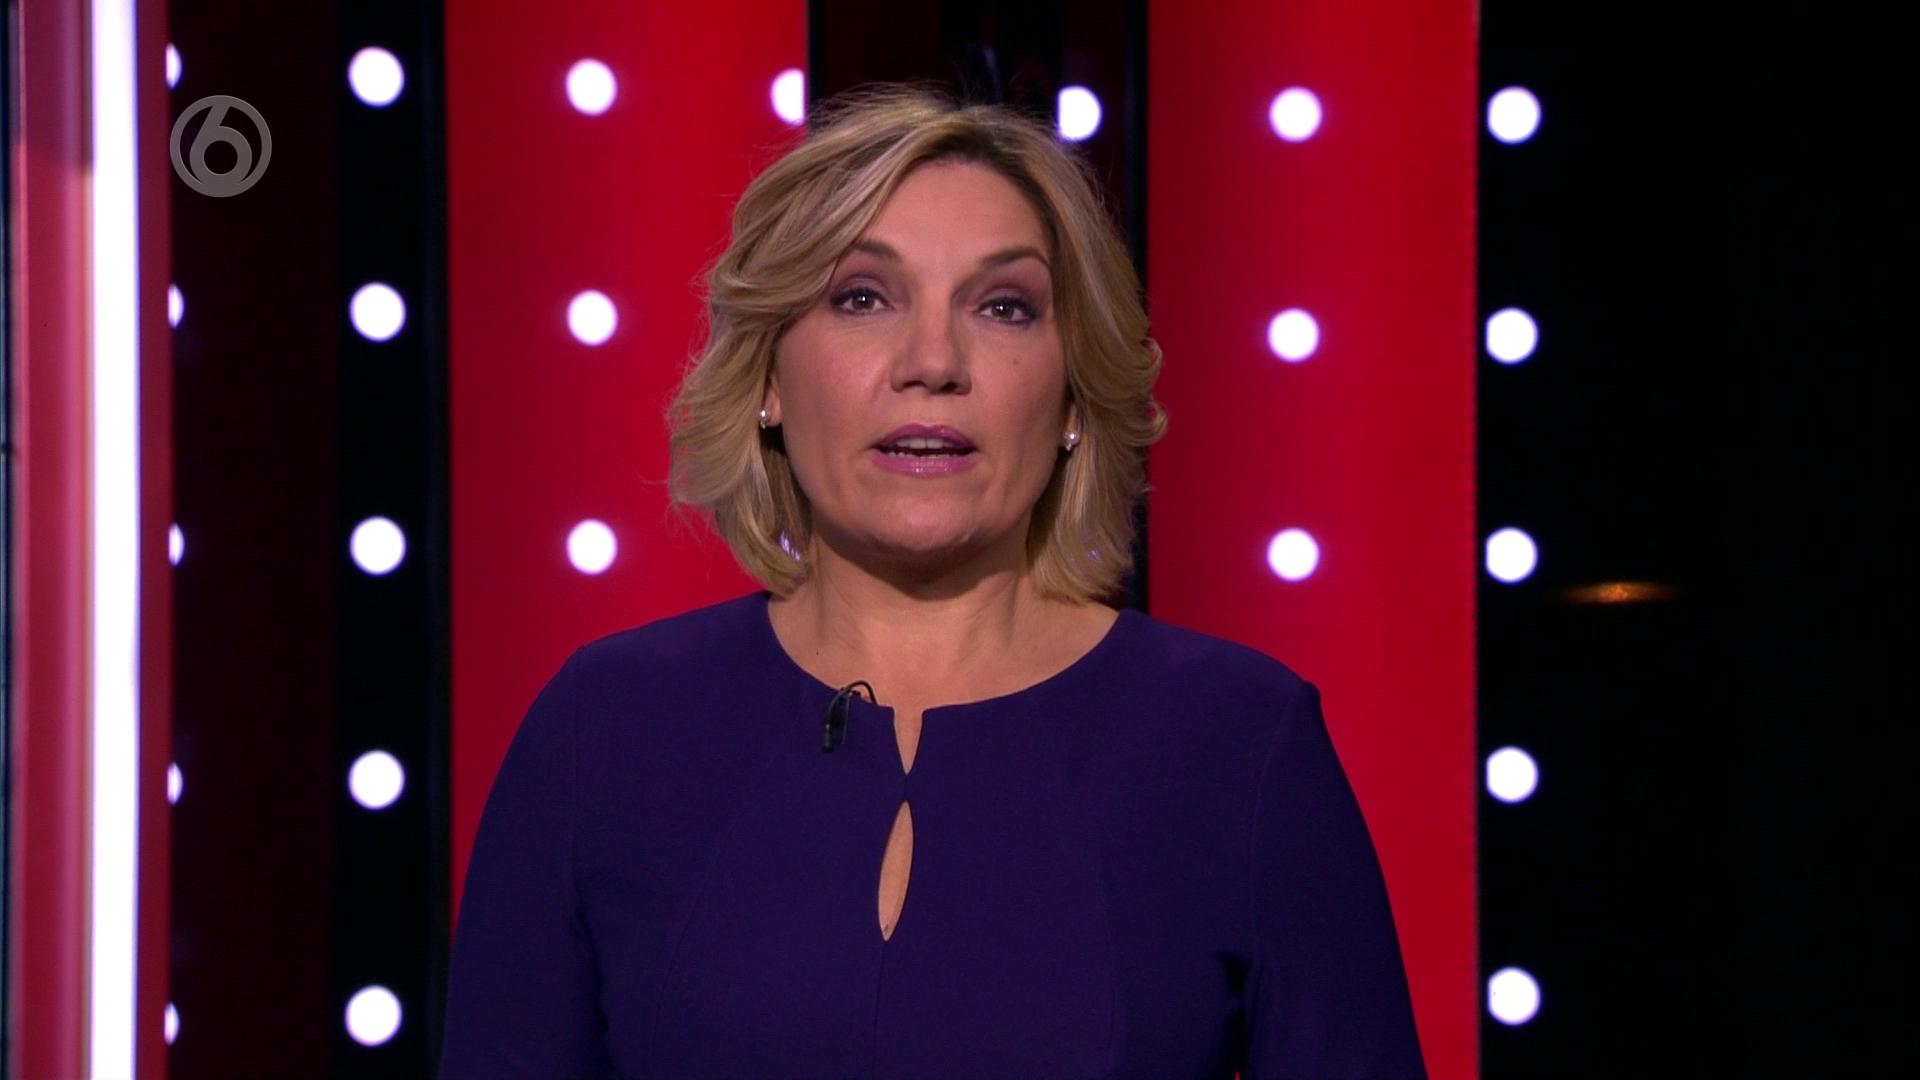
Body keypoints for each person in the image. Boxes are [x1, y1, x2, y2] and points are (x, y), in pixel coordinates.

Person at [439, 83, 1426, 1079]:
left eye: (1003, 308)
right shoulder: (607, 727)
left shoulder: (1239, 739)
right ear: (770, 378)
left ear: (1074, 396)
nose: (934, 361)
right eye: (862, 298)